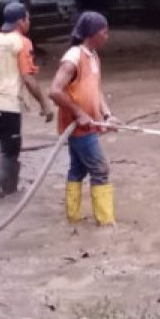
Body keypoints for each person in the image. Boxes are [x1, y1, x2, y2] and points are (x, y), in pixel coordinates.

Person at [0, 3, 54, 209]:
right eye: (28, 19)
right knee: (9, 151)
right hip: (9, 105)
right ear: (21, 21)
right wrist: (45, 104)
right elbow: (28, 78)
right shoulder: (22, 42)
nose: (29, 23)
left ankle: (9, 192)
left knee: (9, 146)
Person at [49, 12, 119, 226]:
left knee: (77, 170)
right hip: (78, 127)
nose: (107, 35)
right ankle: (106, 223)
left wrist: (107, 115)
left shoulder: (94, 56)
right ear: (91, 34)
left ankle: (74, 218)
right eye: (103, 31)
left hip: (90, 125)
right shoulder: (73, 57)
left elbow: (95, 91)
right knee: (100, 170)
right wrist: (79, 113)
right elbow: (54, 91)